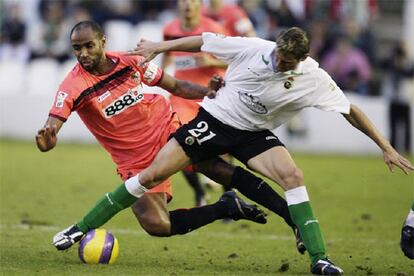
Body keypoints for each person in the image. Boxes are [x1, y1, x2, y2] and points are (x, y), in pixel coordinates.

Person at [125, 27, 414, 274]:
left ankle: (319, 258)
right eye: (278, 55)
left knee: (292, 175)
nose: (279, 62)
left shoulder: (314, 78)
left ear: (301, 60)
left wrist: (385, 147)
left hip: (252, 134)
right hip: (216, 121)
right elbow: (204, 40)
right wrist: (159, 46)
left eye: (286, 62)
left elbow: (350, 110)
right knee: (161, 174)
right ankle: (84, 226)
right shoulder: (255, 48)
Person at [40, 21, 305, 254]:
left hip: (168, 131)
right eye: (77, 48)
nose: (83, 54)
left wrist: (208, 92)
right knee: (157, 225)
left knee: (217, 168)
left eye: (89, 45)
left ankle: (292, 217)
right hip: (134, 160)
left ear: (102, 42)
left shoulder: (131, 61)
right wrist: (48, 138)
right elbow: (53, 124)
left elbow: (176, 86)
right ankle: (226, 207)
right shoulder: (72, 85)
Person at [163, 0, 229, 207]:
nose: (187, 5)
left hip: (211, 96)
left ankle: (229, 195)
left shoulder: (213, 29)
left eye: (192, 1)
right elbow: (167, 55)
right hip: (183, 95)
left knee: (224, 147)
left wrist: (212, 62)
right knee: (177, 141)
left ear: (200, 5)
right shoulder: (170, 29)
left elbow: (235, 58)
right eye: (183, 1)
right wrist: (162, 79)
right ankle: (199, 192)